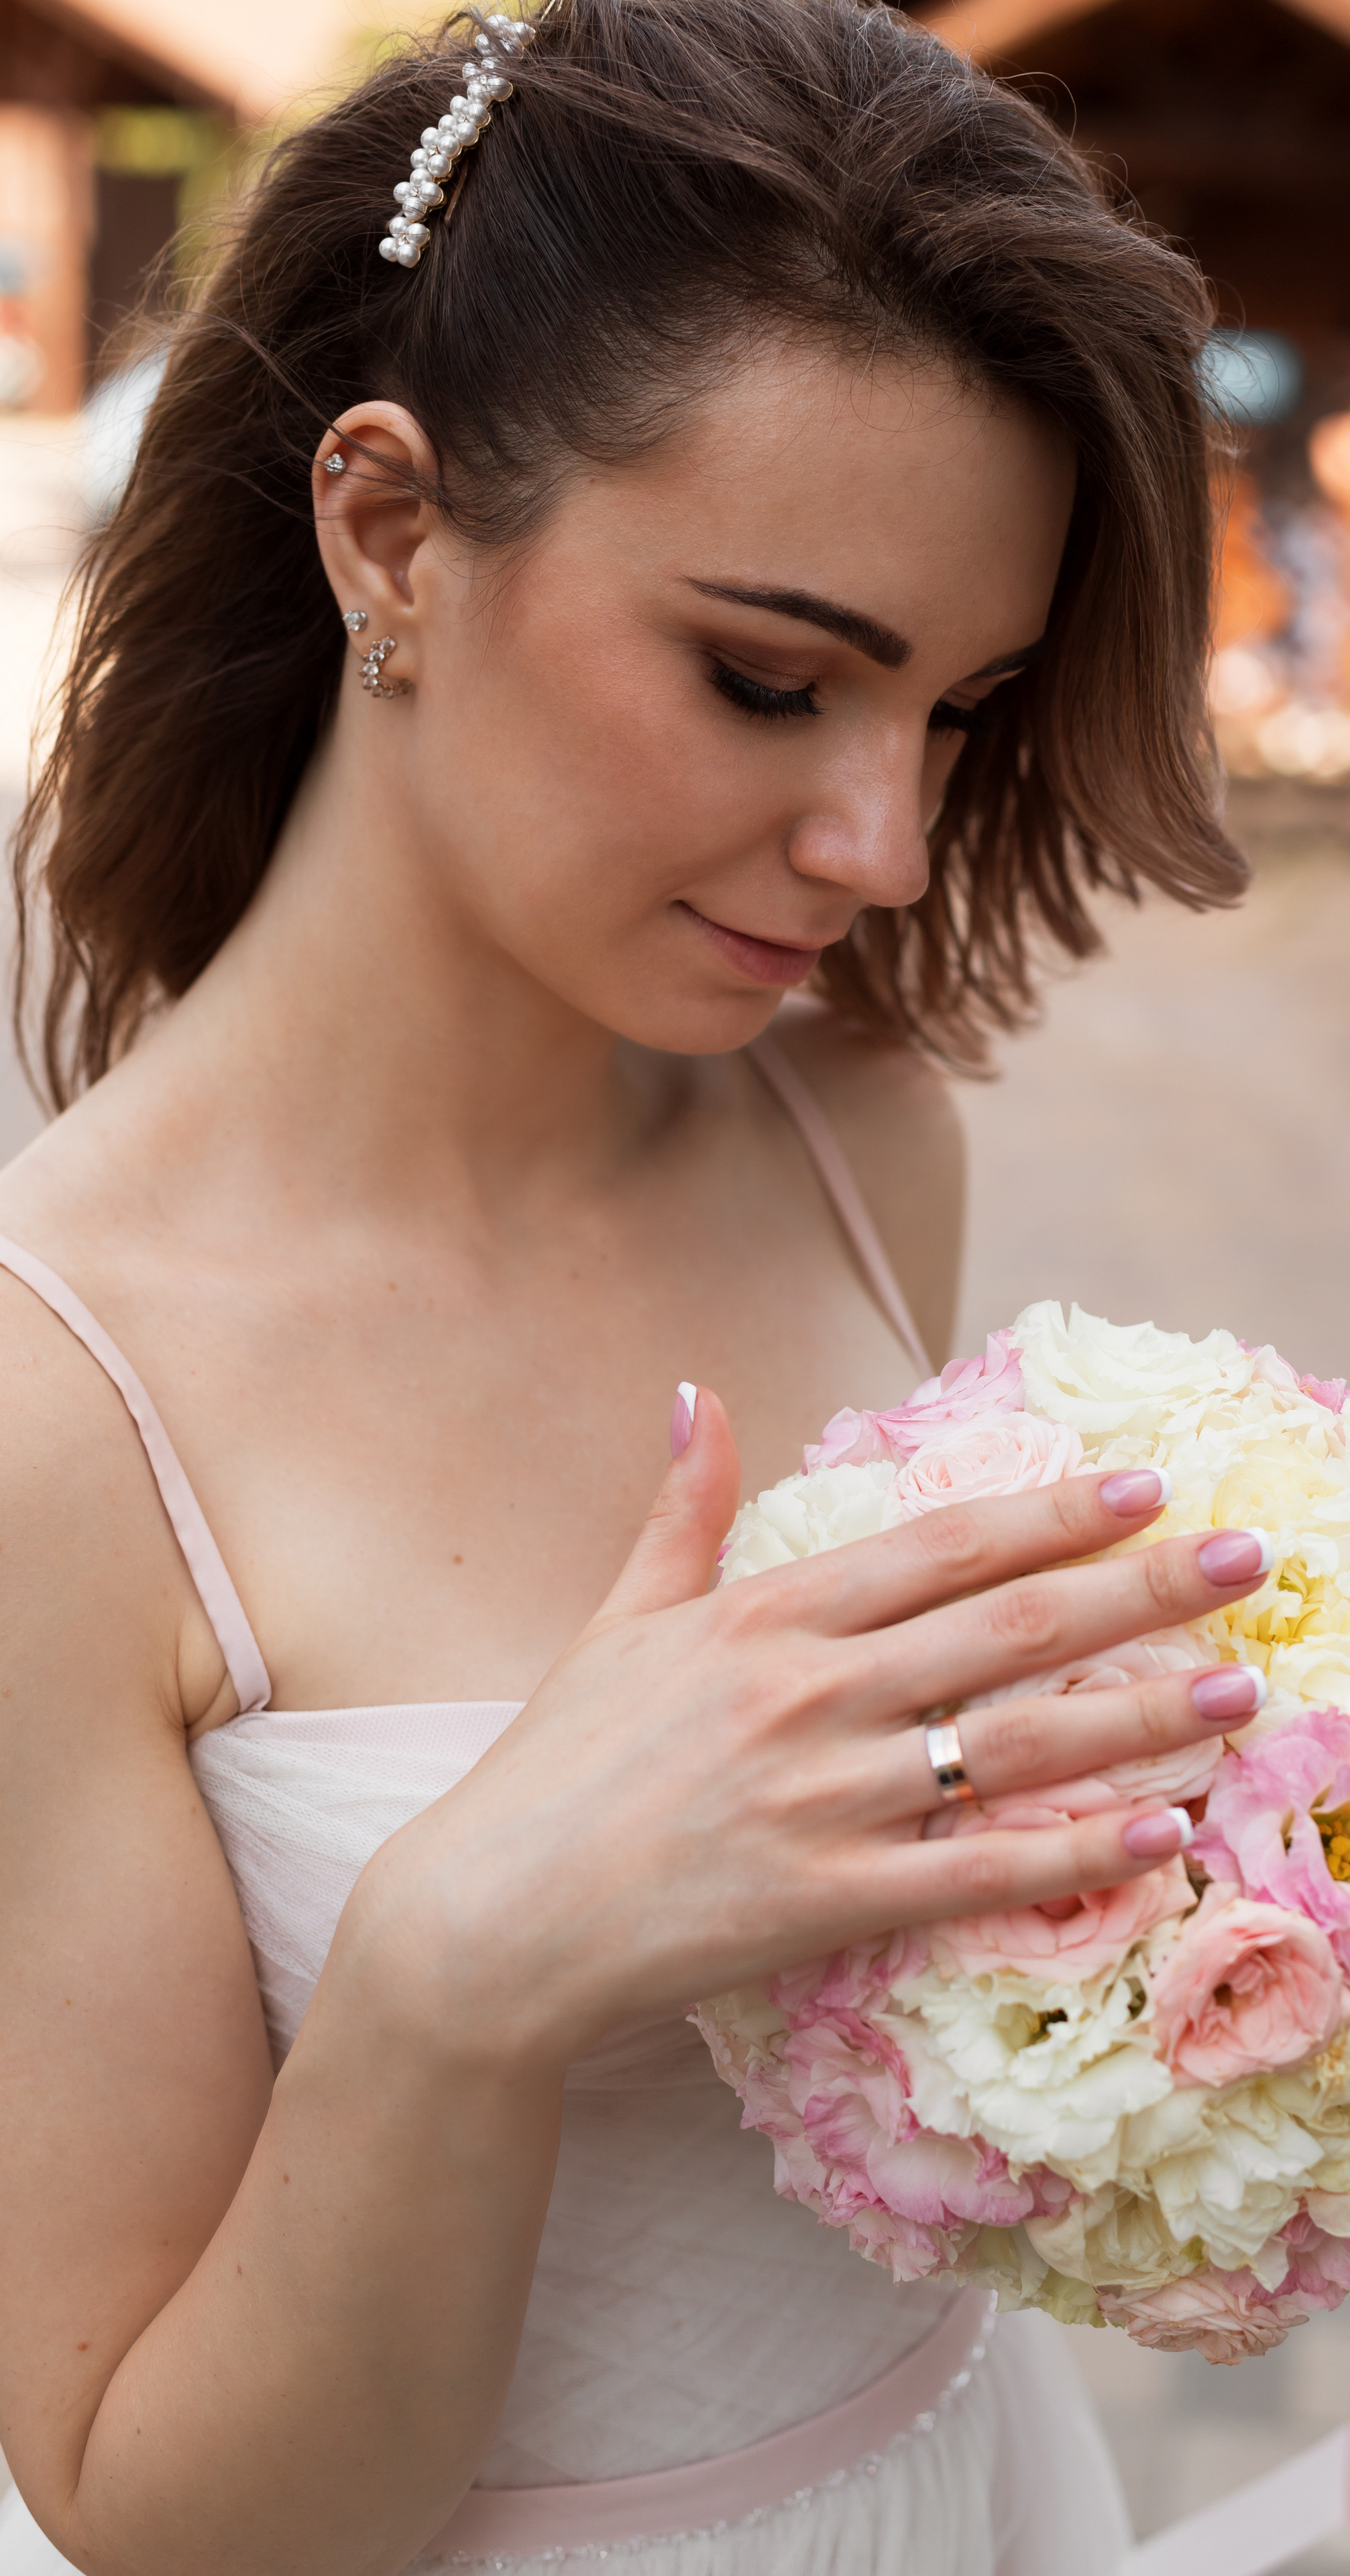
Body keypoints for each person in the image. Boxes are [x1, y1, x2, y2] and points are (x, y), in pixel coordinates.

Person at [0, 3, 1262, 2569]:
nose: (886, 843)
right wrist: (462, 1975)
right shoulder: (58, 1409)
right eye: (771, 680)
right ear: (386, 534)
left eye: (960, 707)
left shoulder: (858, 1143)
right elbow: (160, 2520)